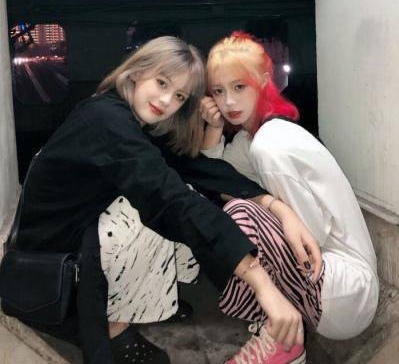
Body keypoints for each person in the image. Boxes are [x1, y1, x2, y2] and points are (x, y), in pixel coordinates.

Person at [10, 35, 309, 364]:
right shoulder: (106, 120)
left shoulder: (123, 116)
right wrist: (260, 280)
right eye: (162, 82)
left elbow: (192, 166)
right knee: (147, 211)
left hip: (73, 233)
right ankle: (116, 324)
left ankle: (151, 297)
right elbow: (169, 197)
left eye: (180, 95)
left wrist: (273, 204)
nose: (166, 100)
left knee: (178, 192)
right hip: (52, 257)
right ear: (137, 72)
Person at [200, 31, 379, 363]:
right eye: (219, 91)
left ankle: (283, 343)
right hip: (322, 286)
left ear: (262, 82)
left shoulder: (271, 143)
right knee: (226, 212)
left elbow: (312, 236)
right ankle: (279, 330)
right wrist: (213, 127)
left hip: (346, 290)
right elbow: (215, 177)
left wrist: (267, 210)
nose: (229, 102)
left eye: (239, 87)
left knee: (241, 214)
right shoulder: (250, 140)